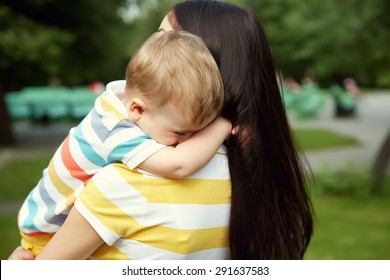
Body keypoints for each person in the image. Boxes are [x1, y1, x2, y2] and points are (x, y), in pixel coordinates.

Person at [10, 0, 313, 260]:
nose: (150, 52)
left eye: (165, 39)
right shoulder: (254, 177)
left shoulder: (128, 185)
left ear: (201, 67)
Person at [17, 30, 231, 257]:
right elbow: (179, 165)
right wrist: (222, 126)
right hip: (48, 231)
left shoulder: (137, 106)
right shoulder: (115, 128)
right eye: (180, 132)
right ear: (137, 109)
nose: (187, 141)